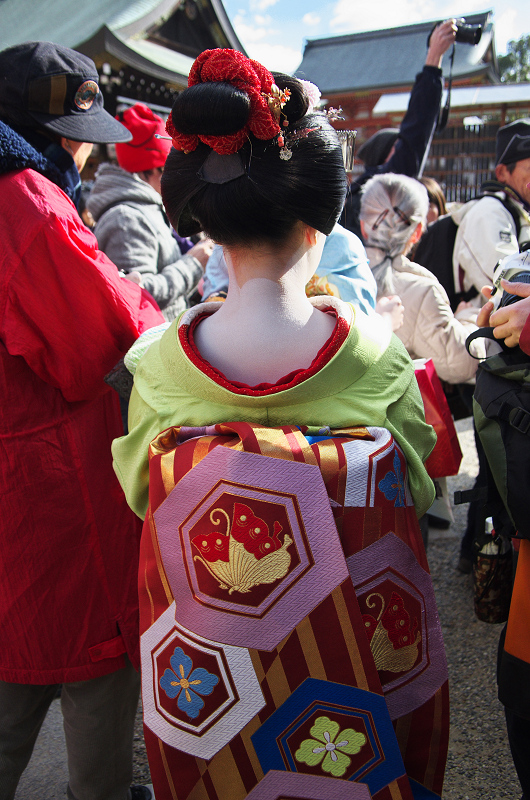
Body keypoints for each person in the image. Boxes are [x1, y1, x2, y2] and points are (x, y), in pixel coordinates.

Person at [112, 49, 449, 800]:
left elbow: (143, 496)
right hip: (357, 672)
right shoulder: (377, 362)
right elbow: (418, 492)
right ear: (321, 216)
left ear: (203, 214)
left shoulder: (157, 371)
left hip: (213, 682)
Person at [0, 41, 165, 800]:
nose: (81, 148)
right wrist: (155, 308)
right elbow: (96, 341)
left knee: (14, 653)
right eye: (72, 132)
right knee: (92, 659)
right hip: (50, 475)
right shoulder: (23, 199)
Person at [87, 102, 213, 320]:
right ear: (151, 170)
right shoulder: (126, 219)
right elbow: (137, 294)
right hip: (146, 348)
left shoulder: (143, 210)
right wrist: (193, 264)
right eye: (167, 171)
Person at [340, 19, 457, 240]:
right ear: (387, 159)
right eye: (398, 147)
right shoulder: (380, 190)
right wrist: (433, 60)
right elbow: (416, 134)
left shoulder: (352, 199)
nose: (403, 150)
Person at [360, 173, 481, 385]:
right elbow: (463, 365)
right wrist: (468, 318)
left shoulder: (326, 273)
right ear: (417, 232)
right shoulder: (421, 291)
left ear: (363, 225)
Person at [452, 117, 530, 301]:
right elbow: (510, 286)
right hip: (478, 323)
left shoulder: (520, 212)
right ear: (502, 172)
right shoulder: (489, 212)